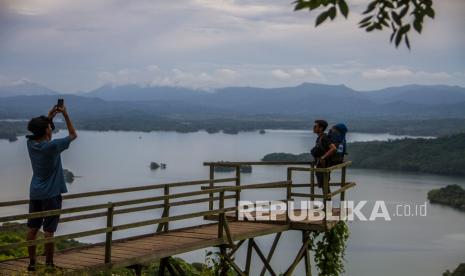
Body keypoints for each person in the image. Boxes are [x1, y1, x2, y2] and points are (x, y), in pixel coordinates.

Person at [25, 103, 77, 271]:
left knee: (32, 228)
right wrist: (66, 115)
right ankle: (49, 264)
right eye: (49, 127)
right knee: (48, 230)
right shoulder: (53, 147)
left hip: (35, 193)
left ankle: (32, 263)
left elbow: (44, 135)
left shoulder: (31, 145)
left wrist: (49, 117)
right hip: (51, 194)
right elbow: (72, 134)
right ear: (47, 130)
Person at [311, 119, 336, 190]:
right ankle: (327, 200)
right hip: (321, 164)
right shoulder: (320, 137)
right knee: (324, 185)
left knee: (325, 185)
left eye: (315, 126)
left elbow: (333, 148)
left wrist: (323, 157)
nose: (313, 128)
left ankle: (327, 200)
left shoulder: (324, 137)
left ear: (321, 128)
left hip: (324, 164)